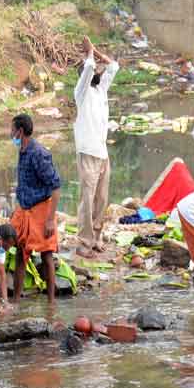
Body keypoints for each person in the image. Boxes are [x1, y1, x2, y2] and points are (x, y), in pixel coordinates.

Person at [74, 35, 119, 259]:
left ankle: (97, 238)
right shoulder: (80, 93)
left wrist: (98, 52)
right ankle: (84, 242)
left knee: (101, 198)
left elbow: (114, 67)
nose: (99, 70)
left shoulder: (100, 91)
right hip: (88, 153)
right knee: (87, 199)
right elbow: (90, 67)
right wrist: (90, 53)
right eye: (93, 69)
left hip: (102, 154)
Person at [9, 113, 61, 304]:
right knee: (21, 254)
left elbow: (55, 187)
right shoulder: (22, 150)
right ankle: (15, 299)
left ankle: (51, 302)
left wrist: (49, 219)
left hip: (41, 211)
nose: (10, 133)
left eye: (12, 129)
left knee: (46, 255)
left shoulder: (39, 153)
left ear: (20, 131)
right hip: (25, 209)